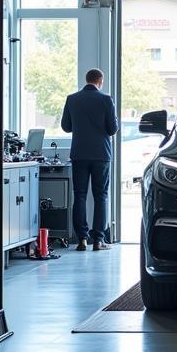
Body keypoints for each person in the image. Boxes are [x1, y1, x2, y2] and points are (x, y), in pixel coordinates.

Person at [61, 68, 119, 252]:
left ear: (87, 80)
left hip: (79, 154)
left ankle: (82, 239)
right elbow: (112, 129)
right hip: (101, 155)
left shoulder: (72, 99)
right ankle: (99, 240)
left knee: (80, 195)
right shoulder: (106, 99)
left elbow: (66, 126)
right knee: (101, 196)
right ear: (100, 81)